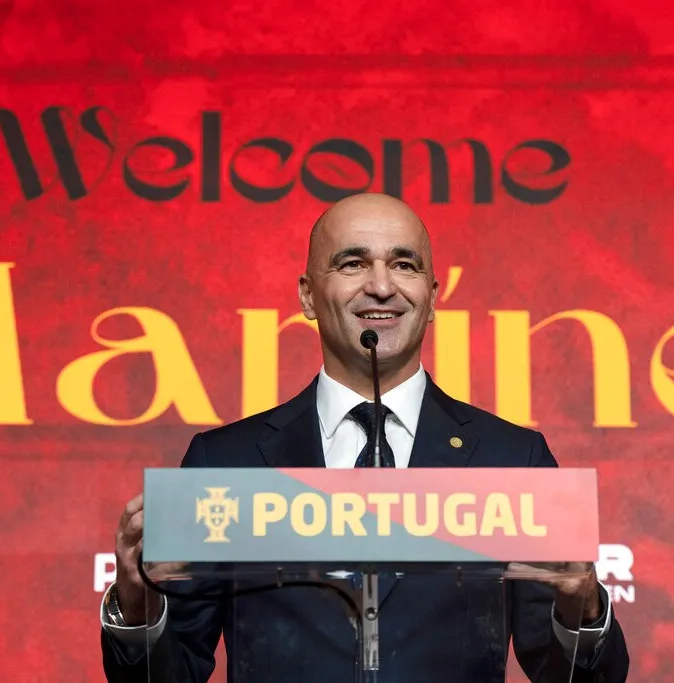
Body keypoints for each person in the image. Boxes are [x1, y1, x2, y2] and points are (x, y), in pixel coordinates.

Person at [99, 193, 630, 682]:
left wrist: (580, 608)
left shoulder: (513, 461)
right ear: (308, 295)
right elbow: (166, 675)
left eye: (405, 264)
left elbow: (578, 677)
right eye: (353, 263)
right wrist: (138, 608)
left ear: (432, 295)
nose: (382, 285)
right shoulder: (224, 463)